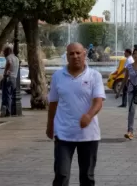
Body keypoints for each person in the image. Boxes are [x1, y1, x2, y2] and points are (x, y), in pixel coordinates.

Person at [48, 43, 105, 186]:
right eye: (71, 54)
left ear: (84, 54)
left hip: (88, 135)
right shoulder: (57, 76)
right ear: (67, 56)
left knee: (87, 177)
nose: (75, 56)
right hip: (63, 134)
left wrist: (89, 115)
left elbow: (98, 101)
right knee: (61, 175)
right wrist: (50, 125)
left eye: (78, 53)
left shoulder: (94, 76)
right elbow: (53, 103)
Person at [1, 44, 20, 117]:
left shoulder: (9, 57)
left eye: (4, 52)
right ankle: (12, 111)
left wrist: (5, 72)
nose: (4, 53)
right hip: (14, 78)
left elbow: (9, 63)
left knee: (6, 95)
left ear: (8, 51)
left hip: (9, 77)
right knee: (12, 95)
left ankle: (7, 112)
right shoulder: (16, 58)